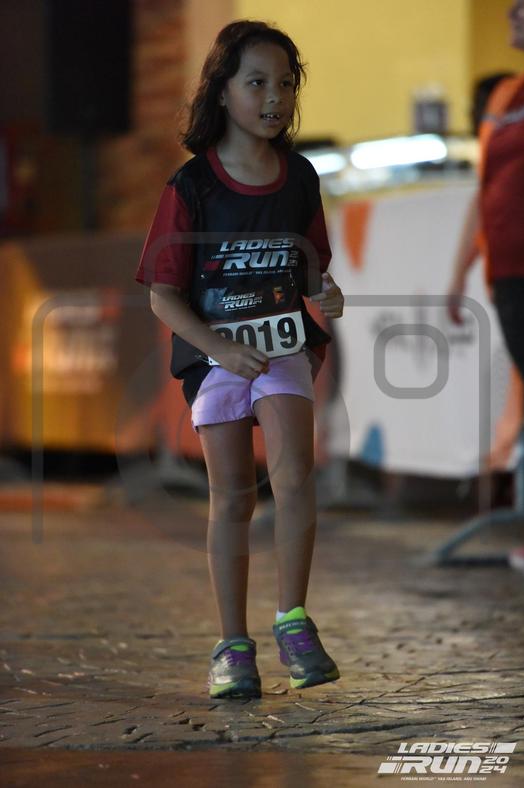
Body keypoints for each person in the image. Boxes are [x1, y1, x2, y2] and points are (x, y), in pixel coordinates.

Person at [135, 20, 344, 698]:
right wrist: (220, 348)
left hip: (282, 350)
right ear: (221, 92)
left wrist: (325, 293)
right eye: (257, 83)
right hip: (215, 358)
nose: (274, 98)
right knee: (231, 497)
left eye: (285, 84)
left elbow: (309, 265)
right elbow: (162, 294)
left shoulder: (300, 177)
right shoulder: (191, 186)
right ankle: (232, 646)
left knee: (295, 479)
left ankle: (294, 621)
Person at [447, 0, 524, 571]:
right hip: (510, 272)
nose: (512, 14)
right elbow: (486, 189)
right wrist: (460, 272)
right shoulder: (502, 98)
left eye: (523, 7)